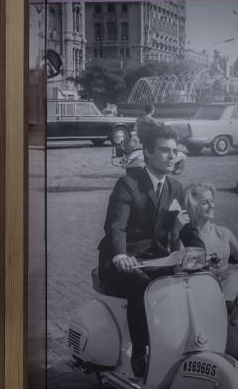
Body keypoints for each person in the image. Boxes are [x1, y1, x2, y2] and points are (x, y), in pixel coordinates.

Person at [97, 122, 187, 378]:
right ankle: (140, 351)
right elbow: (116, 226)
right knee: (143, 286)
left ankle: (178, 344)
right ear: (148, 152)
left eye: (175, 151)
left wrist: (200, 249)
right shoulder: (128, 184)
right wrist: (120, 254)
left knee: (186, 284)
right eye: (165, 150)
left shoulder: (175, 188)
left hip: (156, 259)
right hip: (123, 260)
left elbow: (187, 225)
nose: (172, 156)